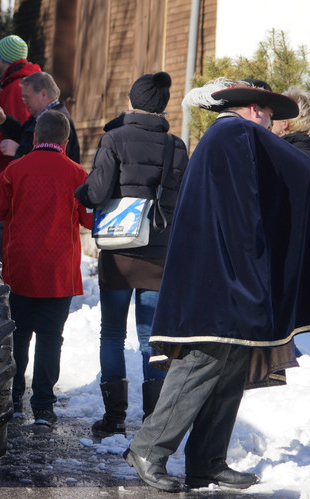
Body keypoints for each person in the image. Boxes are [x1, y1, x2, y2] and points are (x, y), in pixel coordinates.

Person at [124, 78, 310, 493]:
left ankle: (207, 462)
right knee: (201, 363)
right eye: (269, 115)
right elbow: (296, 169)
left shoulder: (233, 138)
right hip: (217, 280)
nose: (273, 125)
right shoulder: (236, 131)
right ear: (253, 108)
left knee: (231, 366)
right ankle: (148, 449)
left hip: (231, 276)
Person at [74, 72, 188, 439]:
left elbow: (96, 192)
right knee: (151, 337)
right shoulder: (176, 146)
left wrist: (81, 192)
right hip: (159, 254)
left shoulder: (114, 138)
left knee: (112, 333)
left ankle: (114, 419)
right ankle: (153, 421)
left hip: (119, 250)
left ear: (132, 101)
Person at [0, 111, 92, 426]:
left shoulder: (14, 170)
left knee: (17, 336)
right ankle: (43, 407)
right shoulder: (78, 174)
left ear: (34, 138)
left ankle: (14, 400)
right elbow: (89, 219)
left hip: (20, 269)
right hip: (59, 272)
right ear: (65, 142)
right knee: (50, 338)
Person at [0, 35, 41, 259]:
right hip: (4, 170)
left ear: (4, 58)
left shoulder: (15, 88)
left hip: (3, 172)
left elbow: (13, 135)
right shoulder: (18, 83)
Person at [0, 71, 80, 163]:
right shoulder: (41, 115)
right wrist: (3, 119)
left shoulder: (59, 120)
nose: (24, 101)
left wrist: (18, 150)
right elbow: (22, 135)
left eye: (27, 97)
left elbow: (52, 158)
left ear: (43, 94)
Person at [271, 86, 310, 156]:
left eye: (275, 116)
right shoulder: (305, 148)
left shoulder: (280, 155)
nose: (271, 121)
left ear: (284, 124)